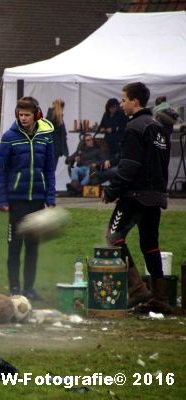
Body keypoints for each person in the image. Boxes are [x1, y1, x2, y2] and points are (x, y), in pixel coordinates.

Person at [103, 82, 171, 314]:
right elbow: (161, 164)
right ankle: (160, 297)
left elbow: (130, 165)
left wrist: (112, 190)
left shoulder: (134, 127)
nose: (121, 104)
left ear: (134, 101)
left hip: (135, 195)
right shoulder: (158, 127)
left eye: (123, 100)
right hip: (155, 195)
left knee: (113, 237)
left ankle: (137, 290)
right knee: (150, 244)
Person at [0, 96, 56, 300]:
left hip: (37, 201)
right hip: (16, 201)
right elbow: (0, 171)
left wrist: (50, 196)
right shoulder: (8, 137)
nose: (23, 118)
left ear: (36, 115)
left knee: (32, 247)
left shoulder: (45, 137)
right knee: (15, 247)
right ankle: (14, 288)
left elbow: (49, 170)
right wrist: (2, 200)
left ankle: (29, 288)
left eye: (27, 115)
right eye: (20, 114)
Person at [97, 98, 128, 166]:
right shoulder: (106, 114)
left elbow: (125, 127)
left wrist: (113, 129)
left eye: (115, 107)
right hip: (108, 140)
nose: (113, 109)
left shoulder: (121, 114)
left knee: (115, 158)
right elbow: (101, 125)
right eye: (111, 107)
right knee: (107, 157)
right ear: (108, 107)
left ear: (117, 106)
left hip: (117, 141)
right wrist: (101, 129)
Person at [45, 99, 69, 169]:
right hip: (53, 147)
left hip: (51, 146)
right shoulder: (55, 117)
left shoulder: (52, 116)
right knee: (51, 169)